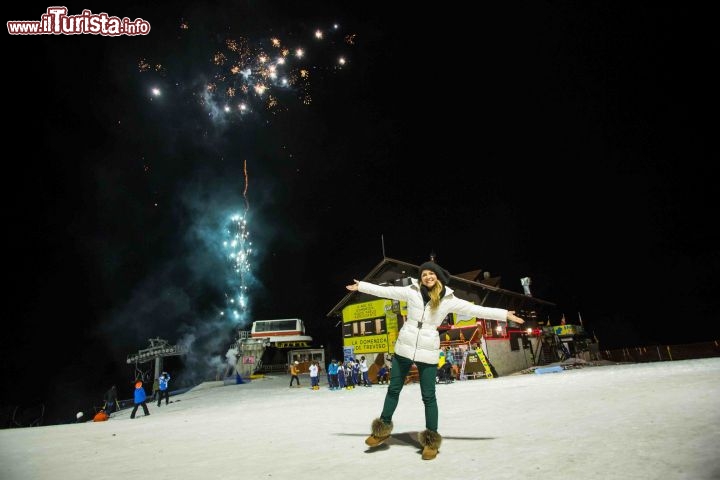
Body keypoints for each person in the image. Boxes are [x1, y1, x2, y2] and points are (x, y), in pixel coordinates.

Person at [346, 260, 524, 460]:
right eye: (424, 275)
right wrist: (361, 286)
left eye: (431, 274)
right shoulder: (411, 291)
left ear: (437, 276)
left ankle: (431, 440)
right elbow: (387, 292)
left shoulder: (448, 299)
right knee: (393, 389)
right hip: (404, 347)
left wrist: (503, 314)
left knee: (428, 396)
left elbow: (474, 310)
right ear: (420, 278)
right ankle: (382, 430)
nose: (428, 277)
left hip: (428, 350)